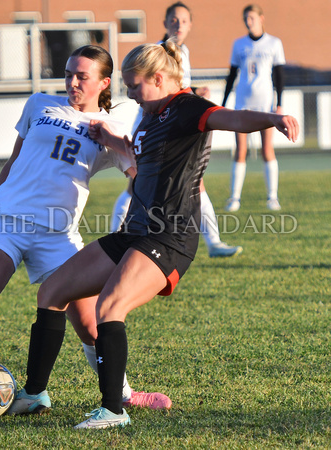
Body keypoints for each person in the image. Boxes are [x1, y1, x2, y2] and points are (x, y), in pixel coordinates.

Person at [15, 40, 299, 430]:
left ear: (159, 78)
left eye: (134, 86)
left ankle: (113, 410)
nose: (129, 94)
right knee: (52, 292)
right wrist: (112, 141)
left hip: (168, 237)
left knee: (110, 307)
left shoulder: (188, 108)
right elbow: (142, 156)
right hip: (134, 230)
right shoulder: (150, 115)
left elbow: (233, 119)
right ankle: (33, 394)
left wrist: (272, 117)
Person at [0, 45, 172, 423]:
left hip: (57, 234)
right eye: (68, 73)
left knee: (89, 323)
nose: (72, 82)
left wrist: (124, 154)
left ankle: (122, 394)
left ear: (103, 82)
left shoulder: (112, 127)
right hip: (6, 221)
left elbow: (137, 175)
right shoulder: (39, 104)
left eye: (82, 76)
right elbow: (14, 162)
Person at [111, 2, 243, 258]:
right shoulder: (157, 52)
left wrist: (195, 92)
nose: (178, 25)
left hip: (175, 124)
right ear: (165, 23)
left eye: (183, 21)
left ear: (190, 25)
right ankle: (117, 238)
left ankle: (213, 241)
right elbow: (161, 93)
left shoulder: (183, 51)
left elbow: (176, 91)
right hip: (156, 126)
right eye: (174, 20)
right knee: (136, 183)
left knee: (194, 181)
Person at [222, 4, 286, 212]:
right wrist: (224, 103)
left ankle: (272, 197)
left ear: (261, 18)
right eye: (245, 19)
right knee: (240, 150)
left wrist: (279, 103)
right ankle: (234, 198)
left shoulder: (274, 43)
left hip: (265, 104)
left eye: (251, 18)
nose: (248, 22)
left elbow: (279, 76)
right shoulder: (238, 44)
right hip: (242, 103)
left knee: (267, 149)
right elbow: (231, 75)